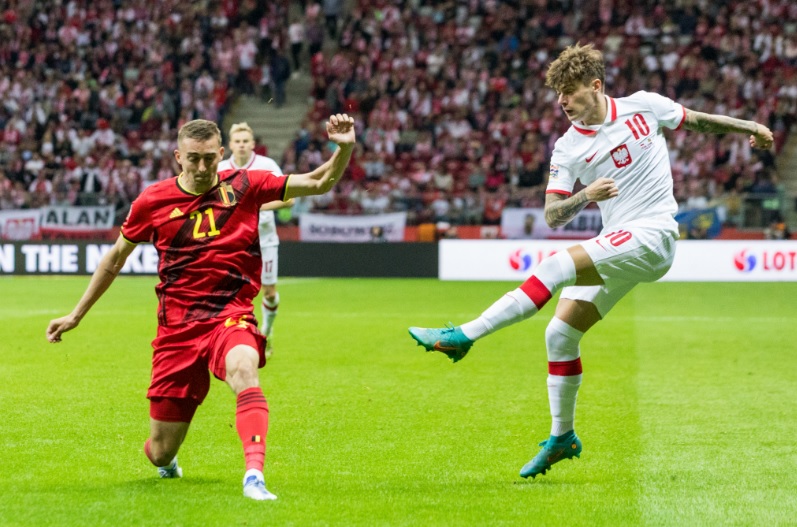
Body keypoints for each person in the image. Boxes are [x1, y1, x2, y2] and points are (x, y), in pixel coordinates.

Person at [408, 43, 773, 480]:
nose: (562, 101)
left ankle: (463, 335)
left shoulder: (644, 107)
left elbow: (696, 121)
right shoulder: (566, 149)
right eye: (558, 94)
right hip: (619, 242)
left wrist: (750, 126)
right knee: (559, 336)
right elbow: (552, 213)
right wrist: (586, 195)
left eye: (569, 91)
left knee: (554, 266)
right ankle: (563, 438)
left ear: (595, 86)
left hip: (655, 233)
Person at [46, 115, 355, 501]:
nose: (203, 167)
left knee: (244, 367)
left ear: (222, 153)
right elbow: (114, 259)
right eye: (194, 159)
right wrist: (76, 314)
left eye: (210, 158)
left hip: (230, 314)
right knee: (160, 451)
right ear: (178, 156)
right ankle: (168, 461)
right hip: (177, 330)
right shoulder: (152, 200)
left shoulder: (245, 184)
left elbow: (319, 181)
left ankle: (254, 477)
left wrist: (343, 148)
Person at [218, 122, 291, 358]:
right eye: (237, 141)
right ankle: (232, 337)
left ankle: (267, 332)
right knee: (230, 292)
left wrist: (256, 205)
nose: (241, 145)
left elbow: (289, 199)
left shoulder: (266, 165)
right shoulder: (219, 169)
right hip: (233, 241)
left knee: (269, 292)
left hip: (265, 239)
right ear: (230, 144)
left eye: (245, 141)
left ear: (252, 144)